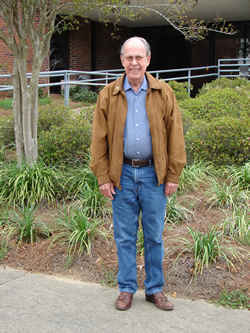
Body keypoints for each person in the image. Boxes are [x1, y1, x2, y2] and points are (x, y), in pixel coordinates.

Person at [90, 36, 186, 311]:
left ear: (148, 60)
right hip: (122, 176)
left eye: (138, 57)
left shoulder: (163, 93)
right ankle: (127, 288)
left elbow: (175, 136)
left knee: (154, 235)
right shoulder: (108, 95)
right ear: (122, 61)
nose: (134, 62)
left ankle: (155, 289)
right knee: (124, 236)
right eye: (128, 58)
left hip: (152, 176)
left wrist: (173, 175)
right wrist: (103, 176)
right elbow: (98, 140)